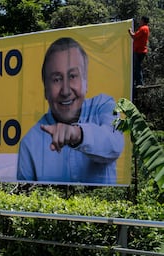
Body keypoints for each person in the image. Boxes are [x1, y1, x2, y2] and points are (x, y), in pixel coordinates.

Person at [17, 37, 124, 184]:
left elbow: (115, 144)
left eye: (73, 76)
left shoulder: (103, 106)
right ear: (45, 90)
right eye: (56, 79)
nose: (66, 91)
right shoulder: (29, 144)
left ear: (85, 82)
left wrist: (77, 134)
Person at [128, 16, 150, 87]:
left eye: (140, 20)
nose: (139, 21)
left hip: (139, 51)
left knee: (137, 67)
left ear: (143, 21)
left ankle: (139, 83)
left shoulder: (143, 28)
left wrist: (130, 31)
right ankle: (137, 82)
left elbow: (134, 36)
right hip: (140, 50)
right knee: (137, 67)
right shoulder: (145, 28)